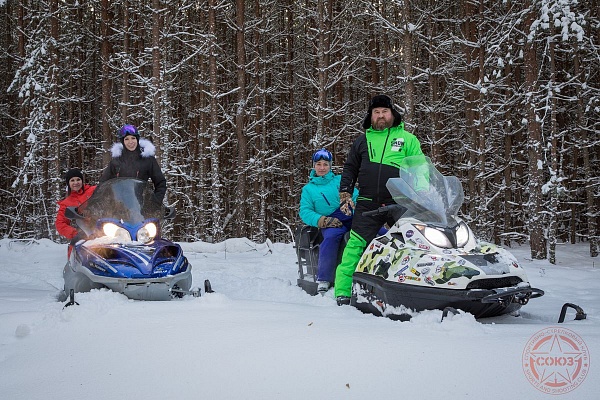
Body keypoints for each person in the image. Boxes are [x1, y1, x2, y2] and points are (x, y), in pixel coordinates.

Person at [334, 94, 425, 305]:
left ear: (392, 114)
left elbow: (420, 168)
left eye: (385, 111)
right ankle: (342, 292)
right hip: (367, 202)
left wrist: (422, 195)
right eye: (376, 112)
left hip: (401, 202)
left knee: (414, 243)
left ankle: (417, 290)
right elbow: (350, 168)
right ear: (371, 116)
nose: (381, 116)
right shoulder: (362, 141)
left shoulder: (408, 139)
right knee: (354, 246)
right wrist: (345, 193)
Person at [299, 149, 358, 294]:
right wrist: (322, 220)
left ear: (330, 166)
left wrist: (354, 206)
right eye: (318, 164)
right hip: (331, 221)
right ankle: (324, 278)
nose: (322, 167)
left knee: (379, 232)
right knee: (331, 238)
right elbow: (305, 211)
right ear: (314, 166)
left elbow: (356, 195)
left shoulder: (339, 180)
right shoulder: (309, 189)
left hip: (351, 216)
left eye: (325, 164)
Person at [99, 124, 167, 203]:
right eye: (126, 139)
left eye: (133, 138)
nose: (130, 142)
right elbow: (102, 184)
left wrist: (156, 202)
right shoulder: (116, 161)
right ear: (122, 141)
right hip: (119, 207)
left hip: (140, 207)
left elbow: (160, 183)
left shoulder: (147, 160)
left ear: (137, 139)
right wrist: (98, 202)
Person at [55, 168, 97, 242]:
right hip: (85, 234)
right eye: (72, 180)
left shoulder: (93, 190)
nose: (76, 182)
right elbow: (60, 223)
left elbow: (106, 192)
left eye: (78, 179)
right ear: (68, 183)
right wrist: (76, 233)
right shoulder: (66, 203)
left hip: (102, 225)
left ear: (82, 180)